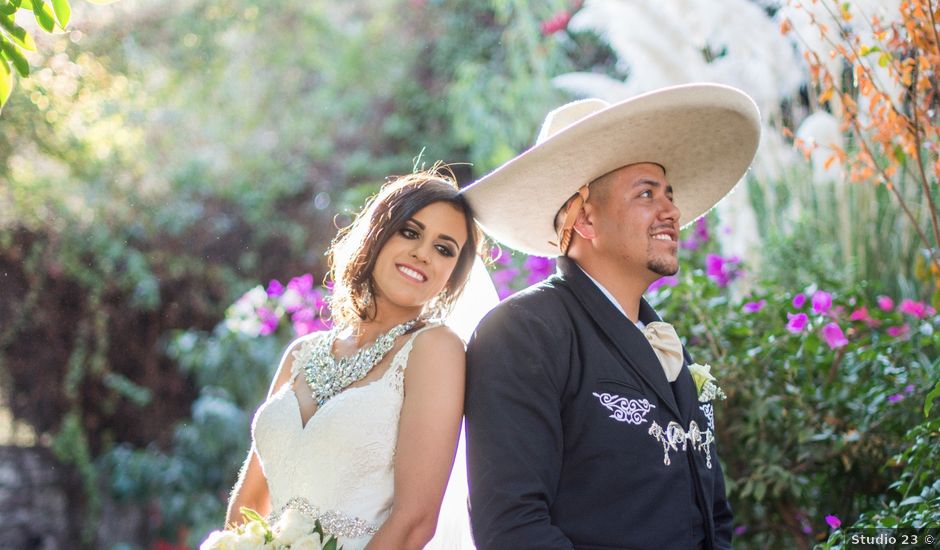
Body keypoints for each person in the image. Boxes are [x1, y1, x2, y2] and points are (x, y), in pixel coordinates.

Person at [461, 83, 761, 549]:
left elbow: (712, 513)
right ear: (585, 220)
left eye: (670, 194)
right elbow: (513, 527)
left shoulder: (665, 341)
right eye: (647, 194)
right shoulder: (523, 332)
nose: (672, 211)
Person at [223, 167, 484, 550]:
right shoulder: (301, 353)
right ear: (378, 232)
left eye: (444, 249)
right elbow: (248, 506)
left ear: (453, 273)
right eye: (410, 232)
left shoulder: (434, 350)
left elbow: (414, 522)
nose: (422, 254)